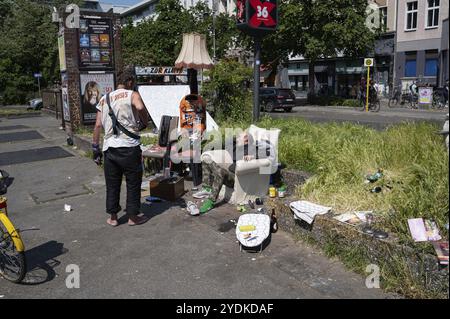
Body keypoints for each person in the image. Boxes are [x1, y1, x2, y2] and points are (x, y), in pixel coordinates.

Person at [92, 67, 150, 227]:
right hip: (129, 147)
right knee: (133, 182)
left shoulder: (104, 99)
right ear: (130, 81)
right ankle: (132, 217)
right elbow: (139, 107)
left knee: (112, 183)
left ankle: (113, 217)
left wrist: (95, 148)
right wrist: (144, 122)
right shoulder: (133, 94)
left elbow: (97, 125)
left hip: (109, 149)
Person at [190, 131, 275, 215]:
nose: (237, 138)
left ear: (246, 140)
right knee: (206, 160)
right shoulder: (235, 147)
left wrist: (253, 156)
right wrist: (236, 138)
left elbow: (268, 154)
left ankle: (211, 201)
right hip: (228, 170)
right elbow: (227, 141)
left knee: (221, 172)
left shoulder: (252, 148)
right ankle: (207, 189)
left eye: (239, 137)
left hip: (235, 177)